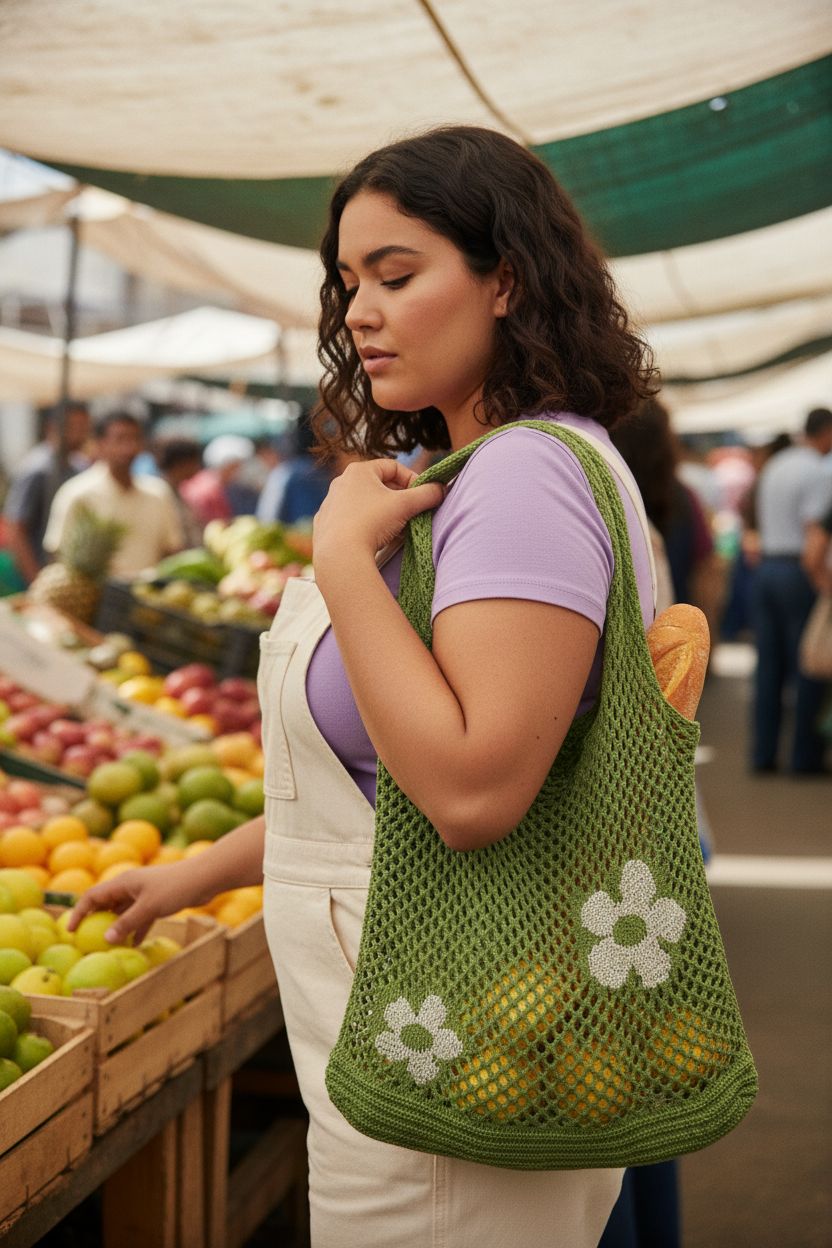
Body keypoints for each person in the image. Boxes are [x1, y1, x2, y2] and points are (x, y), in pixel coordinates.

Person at [70, 125, 661, 1247]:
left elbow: (473, 794)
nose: (359, 312)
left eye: (397, 275)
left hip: (450, 1066)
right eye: (348, 284)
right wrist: (191, 874)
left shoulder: (525, 476)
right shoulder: (478, 472)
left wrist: (341, 560)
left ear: (508, 280)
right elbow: (384, 777)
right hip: (428, 1043)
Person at [751, 407, 832, 774]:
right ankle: (804, 758)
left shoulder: (777, 463)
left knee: (768, 668)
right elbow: (814, 533)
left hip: (766, 567)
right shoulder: (816, 471)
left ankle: (763, 755)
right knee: (807, 666)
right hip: (797, 571)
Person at [43, 411, 184, 578]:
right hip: (94, 598)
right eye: (120, 439)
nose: (128, 448)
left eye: (135, 439)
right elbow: (58, 553)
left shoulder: (159, 493)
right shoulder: (77, 494)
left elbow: (172, 549)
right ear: (100, 444)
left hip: (148, 595)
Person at [2, 402, 91, 583]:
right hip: (36, 574)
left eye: (84, 427)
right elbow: (16, 529)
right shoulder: (38, 469)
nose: (81, 434)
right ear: (53, 427)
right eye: (75, 426)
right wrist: (36, 580)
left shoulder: (78, 466)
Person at [180, 433, 255, 526]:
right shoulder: (210, 490)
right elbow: (218, 524)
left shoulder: (206, 481)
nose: (239, 470)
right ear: (227, 466)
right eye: (236, 466)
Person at [152, 437, 205, 547]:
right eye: (194, 462)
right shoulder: (159, 494)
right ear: (182, 463)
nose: (197, 467)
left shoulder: (178, 491)